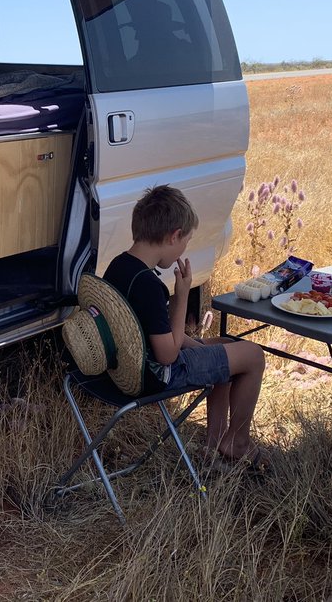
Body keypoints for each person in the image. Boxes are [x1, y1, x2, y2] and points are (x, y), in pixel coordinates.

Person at [104, 184, 266, 464]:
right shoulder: (149, 285)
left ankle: (213, 445)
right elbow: (168, 354)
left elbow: (152, 331)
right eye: (186, 241)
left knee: (226, 346)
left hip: (130, 364)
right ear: (174, 236)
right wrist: (181, 297)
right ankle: (237, 442)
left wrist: (200, 345)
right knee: (253, 356)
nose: (184, 248)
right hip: (156, 375)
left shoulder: (119, 266)